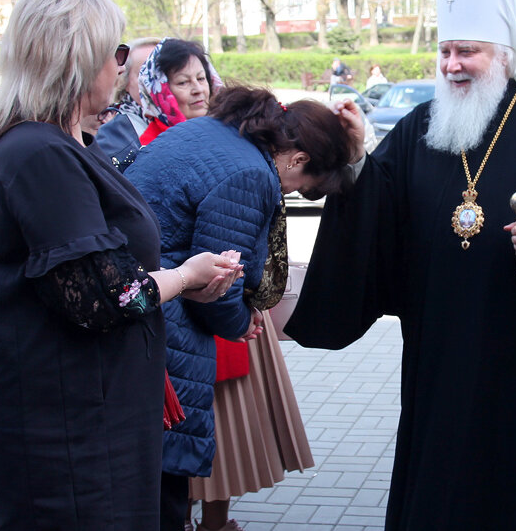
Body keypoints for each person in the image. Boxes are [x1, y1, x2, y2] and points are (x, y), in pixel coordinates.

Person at [285, 0, 516, 530]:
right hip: (437, 337)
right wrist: (358, 155)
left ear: (504, 57)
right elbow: (379, 205)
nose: (453, 65)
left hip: (515, 342)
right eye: (445, 52)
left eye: (468, 52)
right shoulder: (421, 125)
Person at [0, 0, 242, 531]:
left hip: (94, 420)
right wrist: (184, 275)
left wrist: (182, 282)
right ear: (79, 61)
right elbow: (106, 297)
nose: (123, 68)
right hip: (71, 436)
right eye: (117, 53)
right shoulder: (38, 153)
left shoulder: (62, 143)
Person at [125, 85, 353, 531]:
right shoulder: (252, 173)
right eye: (302, 186)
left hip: (140, 293)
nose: (290, 193)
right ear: (297, 159)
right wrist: (241, 322)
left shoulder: (213, 131)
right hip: (164, 320)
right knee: (163, 482)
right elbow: (220, 277)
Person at [96, 38, 222, 170]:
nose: (198, 90)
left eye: (201, 78)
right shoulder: (124, 136)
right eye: (182, 82)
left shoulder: (227, 128)